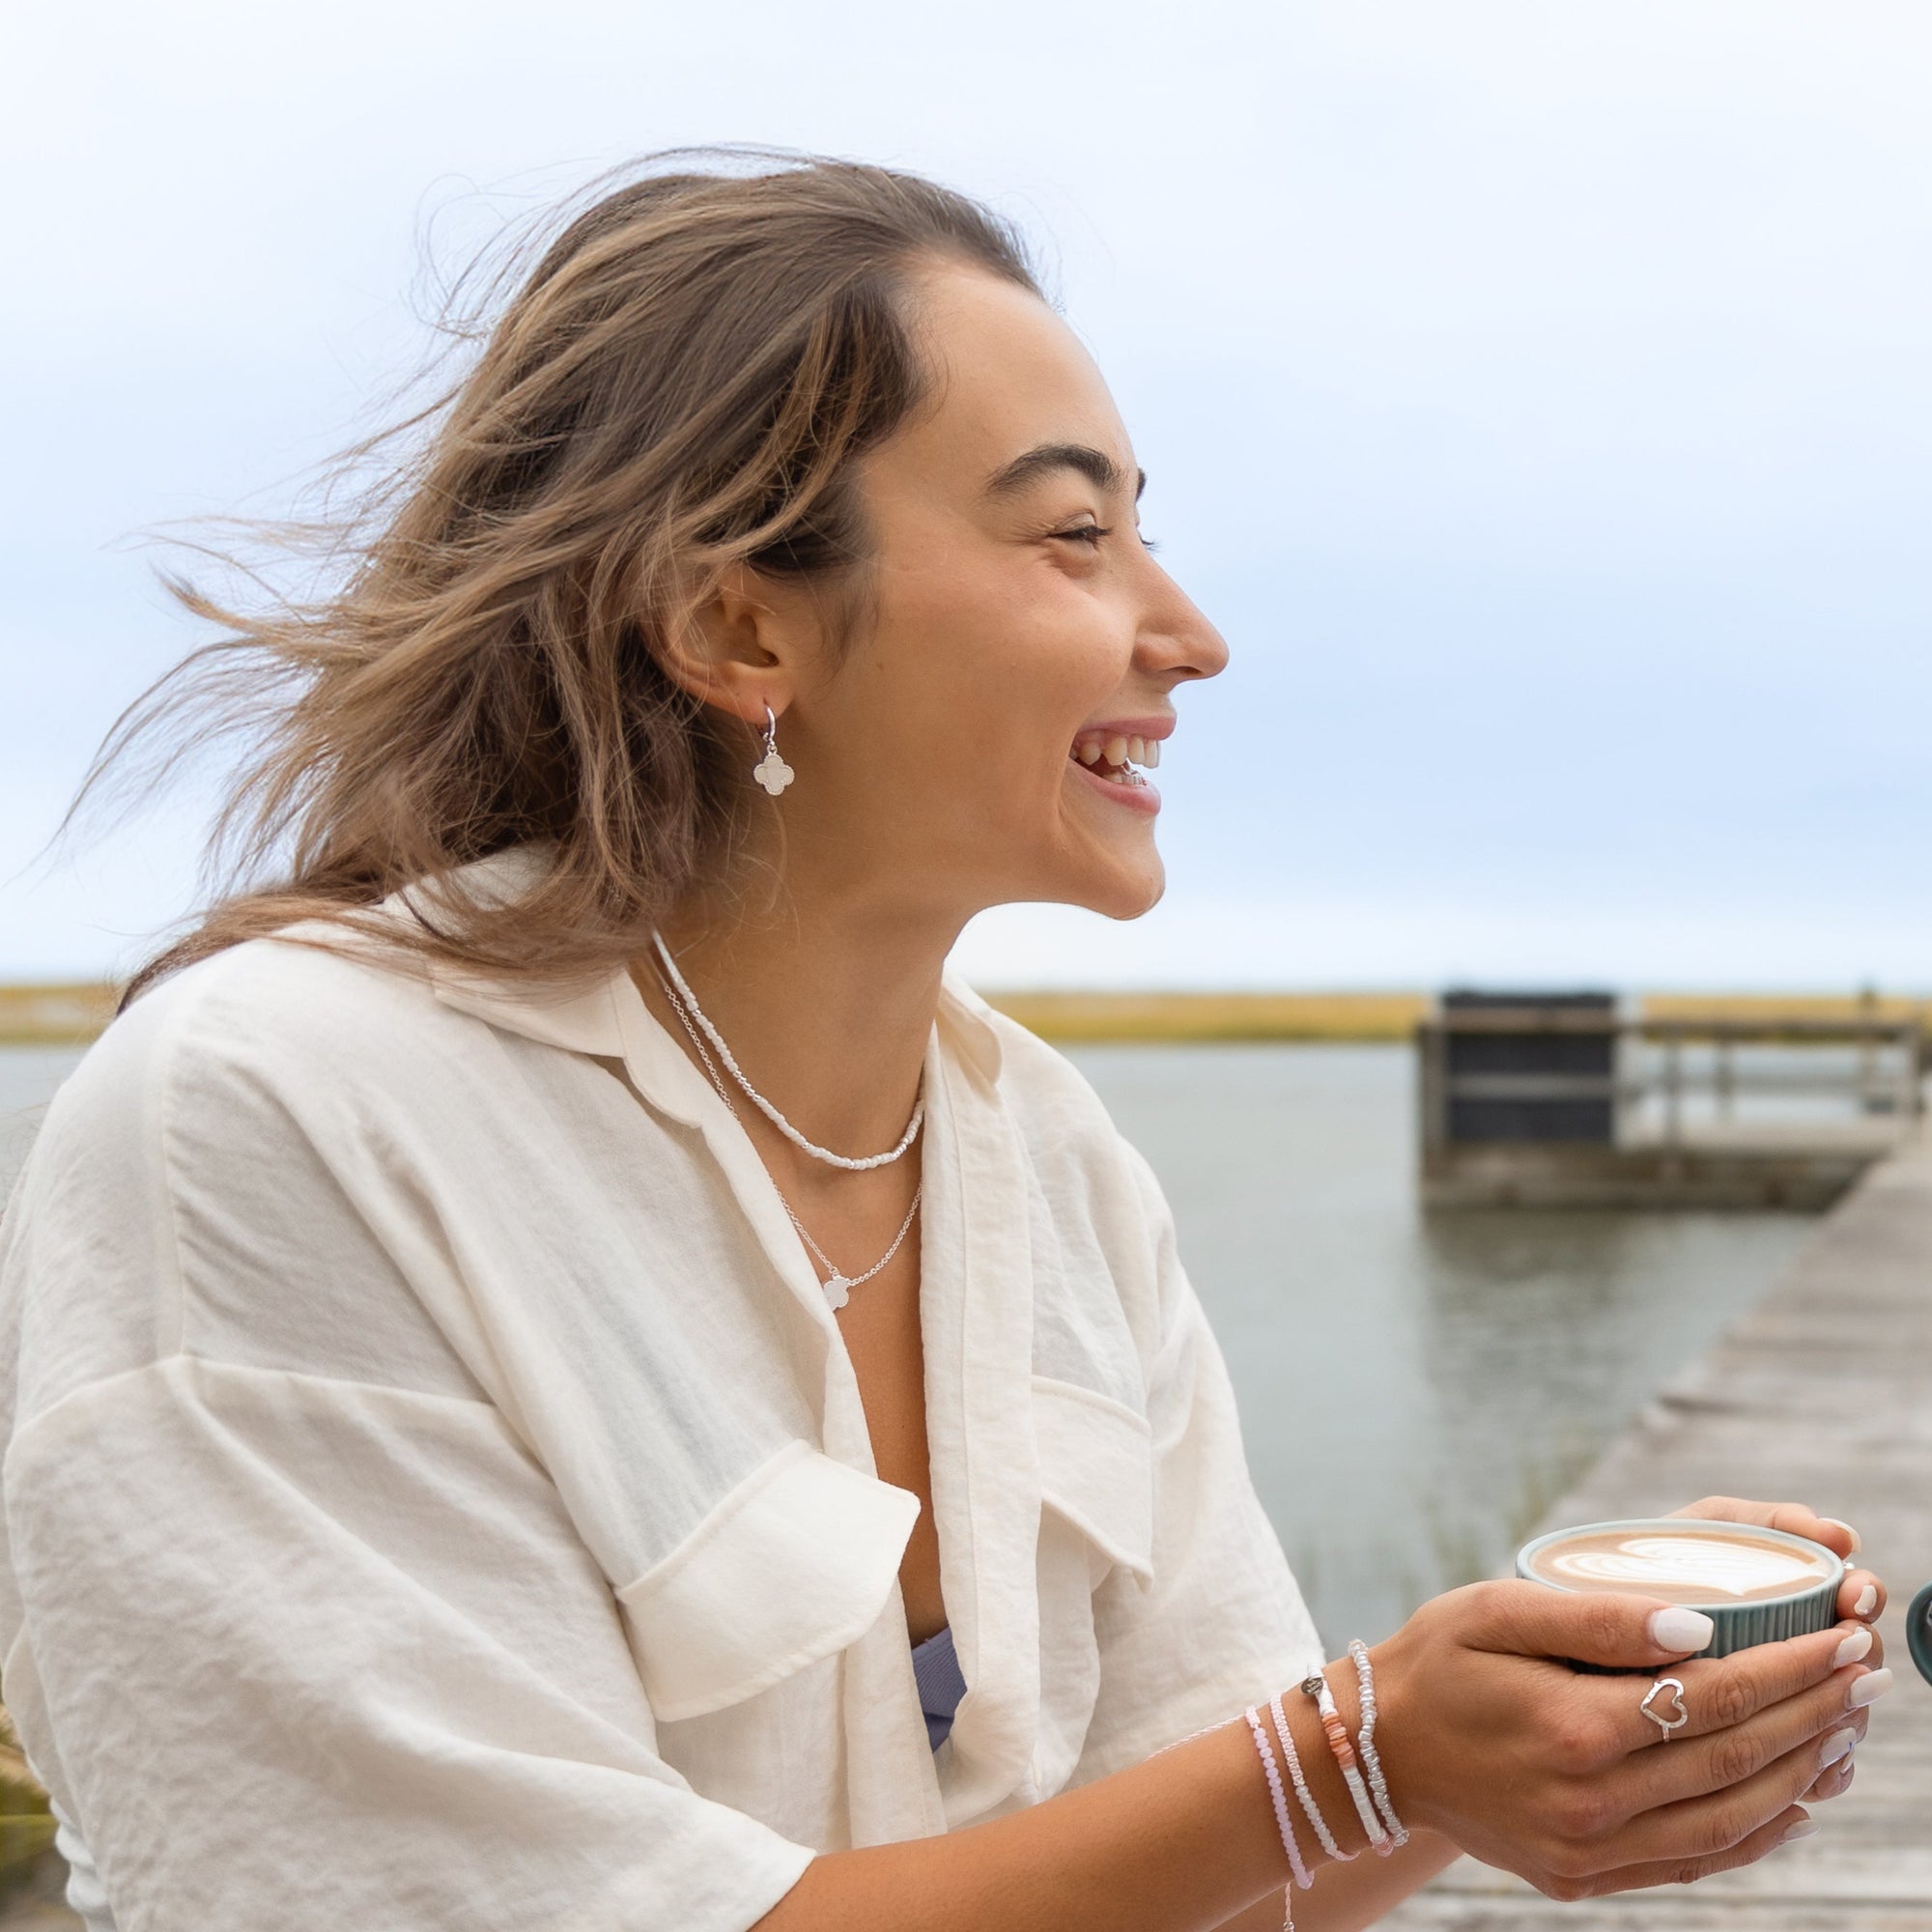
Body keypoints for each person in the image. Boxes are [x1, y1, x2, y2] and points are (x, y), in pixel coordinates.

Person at [0, 152, 1889, 1932]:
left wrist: (1520, 1748)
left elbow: (1207, 1862)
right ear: (741, 625)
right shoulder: (279, 1113)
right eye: (1075, 536)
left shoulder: (1039, 1150)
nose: (1191, 634)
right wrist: (1353, 1754)